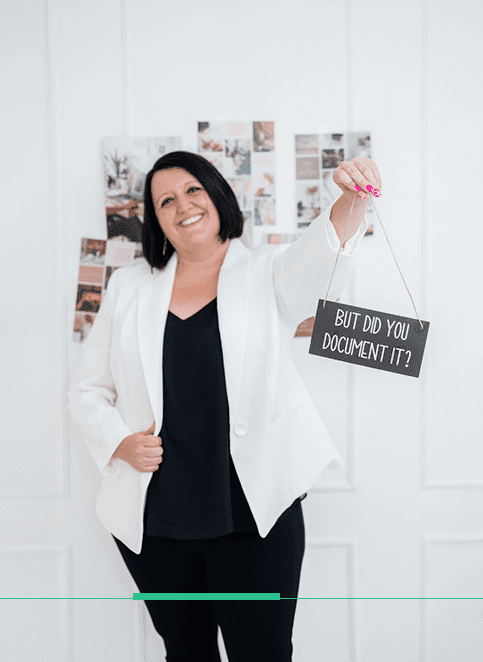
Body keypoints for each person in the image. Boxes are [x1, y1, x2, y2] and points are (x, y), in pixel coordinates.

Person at [68, 150, 381, 661]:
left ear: (218, 194)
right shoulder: (128, 288)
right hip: (156, 521)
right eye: (165, 200)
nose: (182, 205)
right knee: (186, 653)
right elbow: (85, 390)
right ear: (156, 219)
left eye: (193, 189)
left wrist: (350, 201)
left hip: (253, 515)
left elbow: (318, 263)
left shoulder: (266, 272)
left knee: (262, 652)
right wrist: (119, 443)